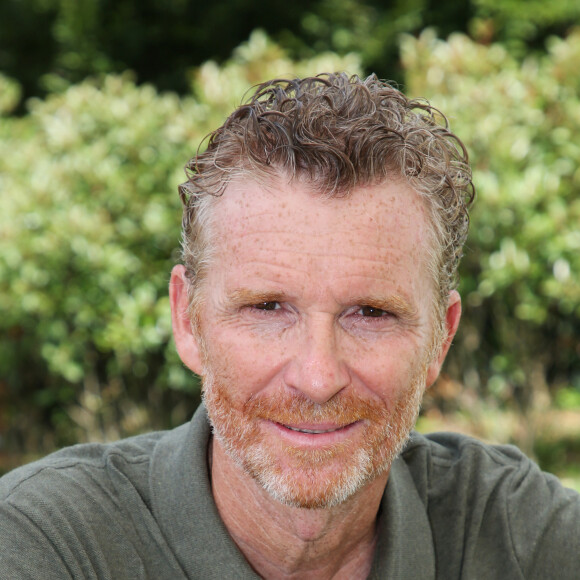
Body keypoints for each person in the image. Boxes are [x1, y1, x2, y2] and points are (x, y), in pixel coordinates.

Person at [0, 73, 578, 579]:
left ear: (439, 340)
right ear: (188, 319)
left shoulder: (519, 536)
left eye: (371, 313)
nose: (318, 377)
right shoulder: (45, 545)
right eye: (268, 308)